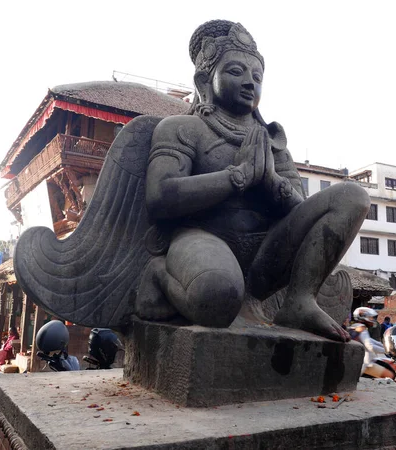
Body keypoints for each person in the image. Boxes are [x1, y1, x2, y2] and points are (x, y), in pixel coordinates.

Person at [136, 20, 370, 342]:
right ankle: (160, 275)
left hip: (265, 251)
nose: (249, 83)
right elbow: (160, 196)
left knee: (352, 196)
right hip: (204, 237)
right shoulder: (181, 128)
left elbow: (300, 210)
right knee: (216, 298)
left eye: (256, 77)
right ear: (205, 80)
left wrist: (269, 178)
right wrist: (237, 177)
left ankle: (300, 299)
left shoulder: (273, 141)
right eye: (235, 72)